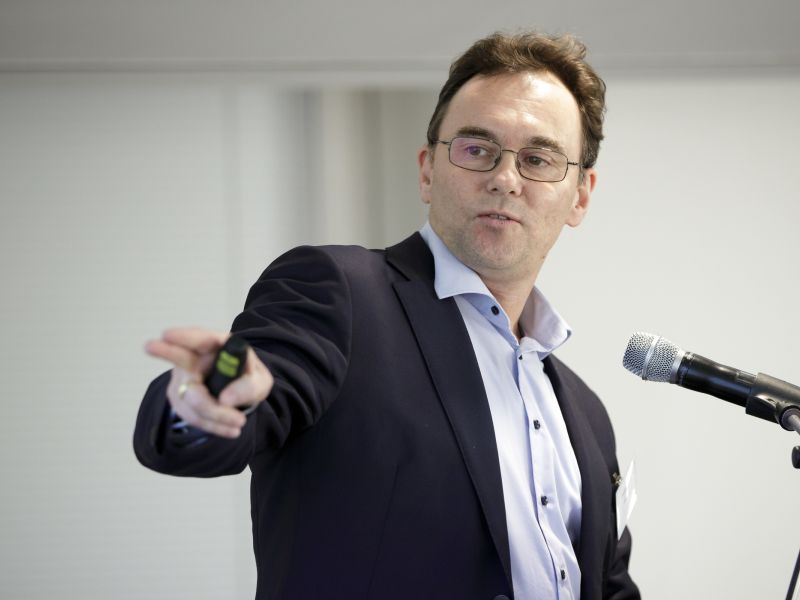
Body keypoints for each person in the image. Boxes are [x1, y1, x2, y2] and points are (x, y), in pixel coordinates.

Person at [134, 31, 640, 600]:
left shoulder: (587, 415)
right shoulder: (341, 295)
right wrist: (207, 398)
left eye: (538, 159)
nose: (505, 178)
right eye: (477, 150)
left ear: (580, 196)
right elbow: (244, 401)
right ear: (427, 171)